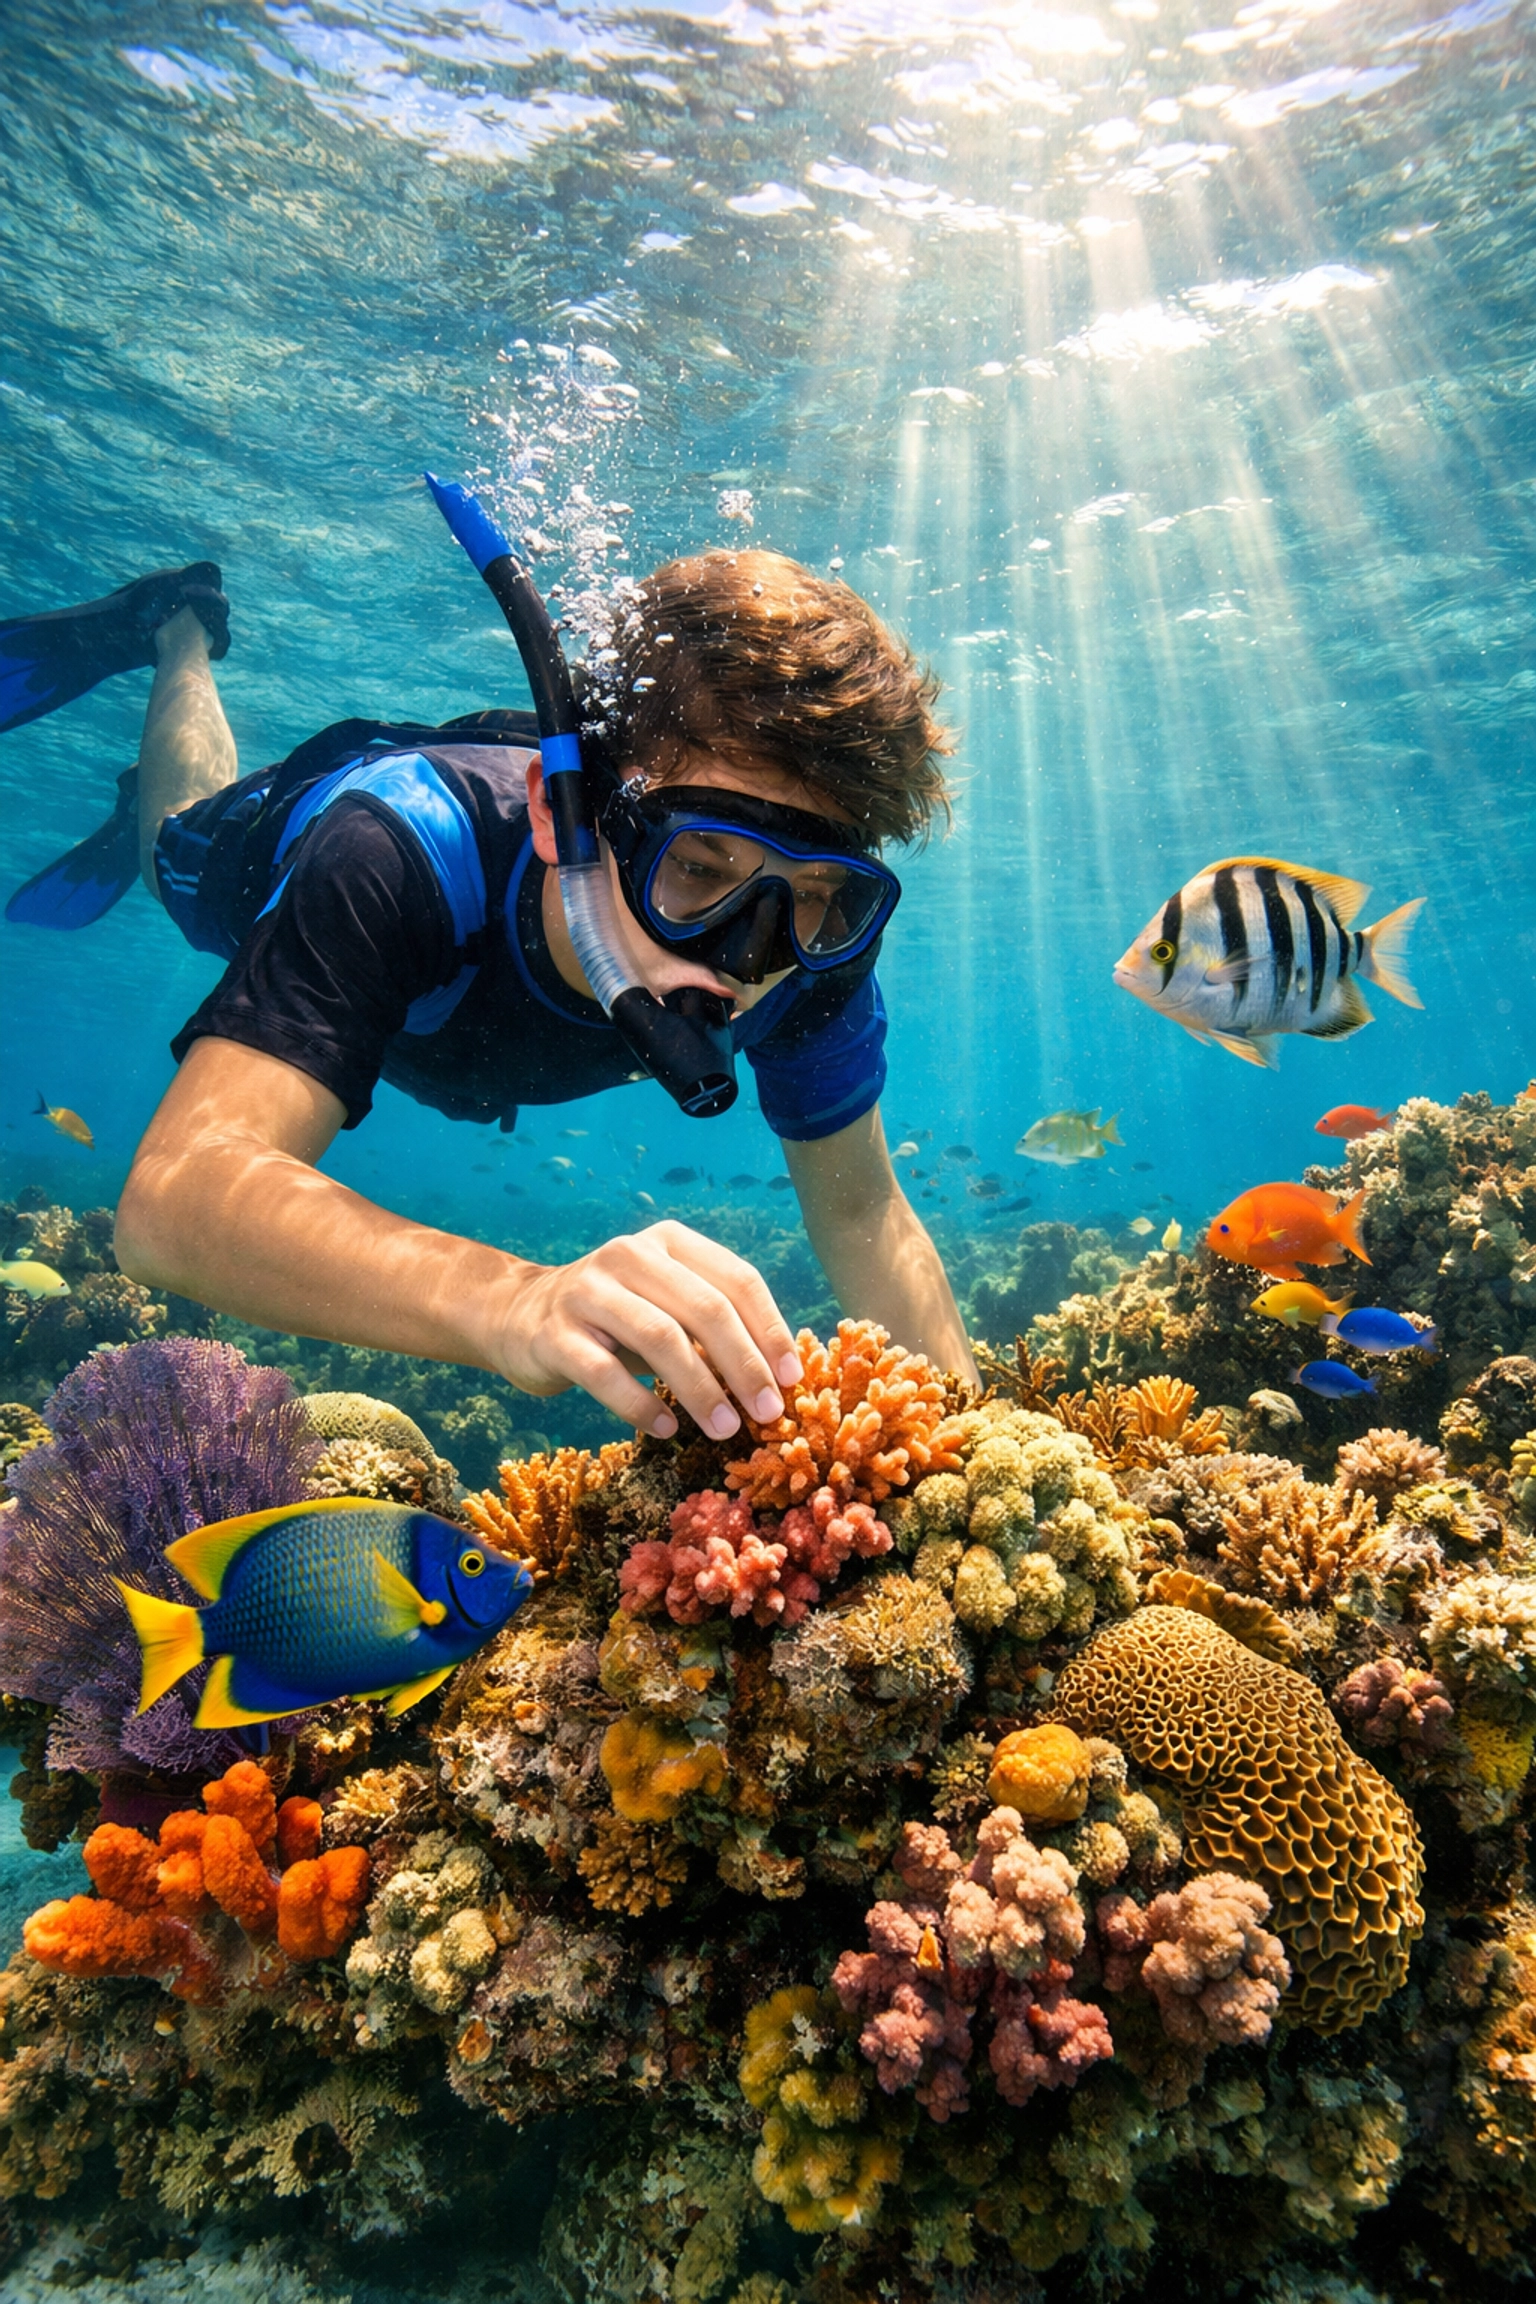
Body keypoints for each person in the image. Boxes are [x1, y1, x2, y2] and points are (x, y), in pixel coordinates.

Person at [1, 540, 977, 1444]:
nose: (747, 959)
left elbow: (862, 1215)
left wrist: (968, 1456)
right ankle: (178, 633)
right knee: (169, 837)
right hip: (259, 855)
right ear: (566, 821)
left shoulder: (819, 946)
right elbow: (176, 1197)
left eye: (810, 892)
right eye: (700, 866)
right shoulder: (397, 854)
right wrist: (517, 1302)